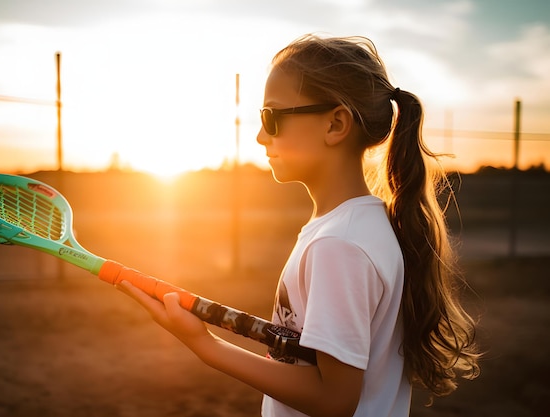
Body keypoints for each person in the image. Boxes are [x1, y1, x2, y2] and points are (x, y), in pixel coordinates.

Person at [116, 34, 480, 417]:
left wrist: (205, 345)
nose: (260, 136)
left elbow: (333, 399)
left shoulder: (340, 244)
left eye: (271, 117)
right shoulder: (356, 227)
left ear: (335, 124)